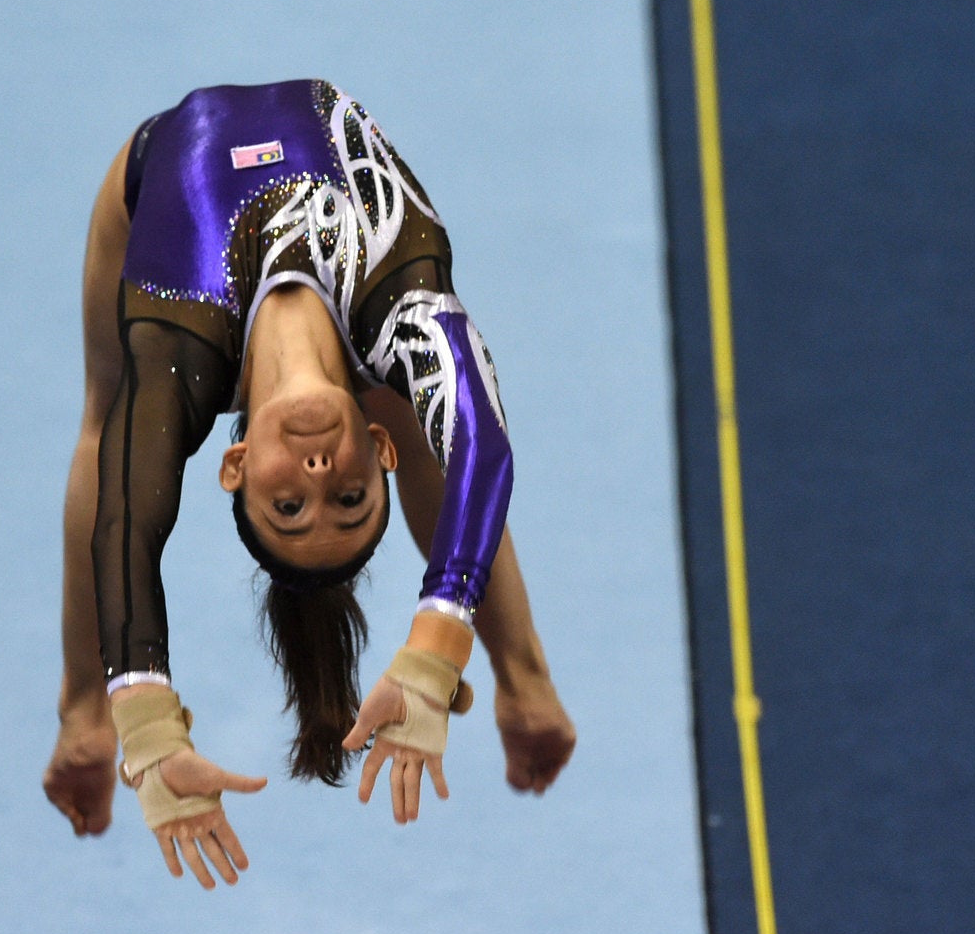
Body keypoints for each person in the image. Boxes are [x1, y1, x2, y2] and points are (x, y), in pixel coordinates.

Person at [43, 80, 576, 888]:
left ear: (234, 461)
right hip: (359, 326)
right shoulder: (399, 298)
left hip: (154, 183)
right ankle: (528, 676)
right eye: (350, 499)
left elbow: (125, 526)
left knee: (109, 429)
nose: (320, 477)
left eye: (286, 505)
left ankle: (76, 710)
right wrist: (440, 647)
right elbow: (483, 445)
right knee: (424, 408)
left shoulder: (181, 354)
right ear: (375, 452)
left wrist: (134, 724)